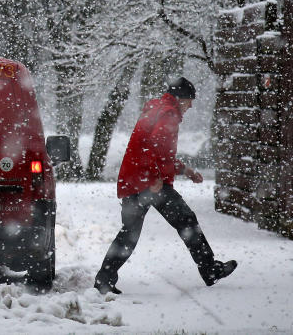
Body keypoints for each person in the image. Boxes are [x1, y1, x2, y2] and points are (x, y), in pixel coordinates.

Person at [94, 76, 237, 295]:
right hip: (149, 184)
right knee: (186, 221)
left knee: (129, 233)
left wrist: (185, 170)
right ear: (180, 98)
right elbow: (152, 148)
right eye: (189, 100)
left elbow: (160, 152)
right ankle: (210, 270)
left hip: (137, 179)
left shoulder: (158, 109)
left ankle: (104, 280)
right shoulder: (169, 113)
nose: (191, 105)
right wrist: (154, 179)